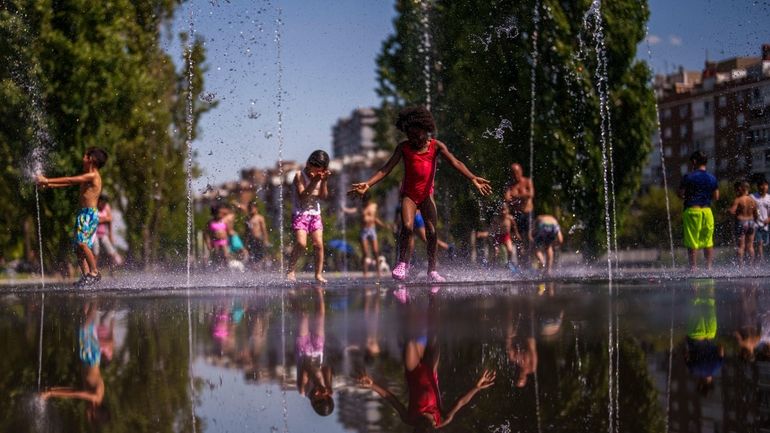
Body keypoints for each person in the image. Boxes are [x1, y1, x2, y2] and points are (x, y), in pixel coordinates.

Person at [350, 106, 492, 282]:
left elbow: (455, 162)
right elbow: (386, 168)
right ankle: (402, 263)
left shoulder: (436, 147)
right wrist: (368, 184)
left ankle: (432, 270)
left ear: (426, 130)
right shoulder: (403, 148)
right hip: (409, 195)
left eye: (417, 135)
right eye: (410, 136)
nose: (414, 139)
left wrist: (472, 178)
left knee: (432, 232)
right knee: (407, 227)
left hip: (426, 196)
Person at [358, 290, 496, 430]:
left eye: (418, 427)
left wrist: (372, 385)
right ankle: (433, 292)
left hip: (412, 370)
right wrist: (476, 388)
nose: (422, 420)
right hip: (431, 368)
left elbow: (390, 398)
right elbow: (460, 403)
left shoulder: (409, 419)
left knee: (411, 337)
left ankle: (406, 294)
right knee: (434, 331)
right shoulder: (442, 419)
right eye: (425, 424)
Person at [36, 147, 108, 286]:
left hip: (89, 215)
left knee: (82, 243)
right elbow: (67, 183)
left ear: (91, 159)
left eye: (85, 156)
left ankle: (94, 272)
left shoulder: (93, 176)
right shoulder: (87, 176)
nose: (83, 159)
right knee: (77, 249)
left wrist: (47, 179)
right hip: (82, 214)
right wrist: (48, 184)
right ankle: (86, 275)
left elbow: (69, 180)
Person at [40, 301, 108, 424]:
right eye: (88, 415)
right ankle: (96, 297)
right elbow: (75, 393)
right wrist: (51, 393)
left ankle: (88, 294)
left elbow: (72, 389)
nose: (86, 412)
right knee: (84, 327)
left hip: (88, 357)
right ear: (94, 412)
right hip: (91, 356)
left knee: (82, 319)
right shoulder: (96, 397)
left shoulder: (93, 398)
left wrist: (51, 389)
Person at [287, 150, 331, 283]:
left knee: (318, 245)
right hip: (300, 214)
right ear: (308, 163)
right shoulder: (299, 175)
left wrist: (323, 182)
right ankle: (291, 270)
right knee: (301, 243)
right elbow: (302, 196)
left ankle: (318, 274)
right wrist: (314, 181)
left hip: (315, 215)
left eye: (320, 170)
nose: (316, 172)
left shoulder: (320, 177)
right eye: (314, 168)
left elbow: (323, 197)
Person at [293, 285, 334, 416]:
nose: (317, 393)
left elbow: (306, 366)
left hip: (303, 349)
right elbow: (326, 367)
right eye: (321, 396)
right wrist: (327, 383)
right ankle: (319, 290)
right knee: (320, 316)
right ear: (327, 396)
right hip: (317, 349)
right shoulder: (327, 387)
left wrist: (317, 381)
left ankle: (291, 294)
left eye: (315, 399)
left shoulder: (303, 390)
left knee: (303, 316)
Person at [678, 151, 719, 272]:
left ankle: (693, 268)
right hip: (707, 211)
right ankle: (709, 267)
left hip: (692, 211)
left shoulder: (688, 177)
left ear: (694, 162)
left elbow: (681, 194)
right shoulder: (712, 178)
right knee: (708, 240)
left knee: (692, 240)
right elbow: (716, 196)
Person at [504, 163, 535, 268]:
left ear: (521, 171)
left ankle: (533, 261)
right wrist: (523, 196)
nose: (515, 174)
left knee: (530, 237)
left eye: (517, 172)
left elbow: (530, 194)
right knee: (518, 239)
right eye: (513, 173)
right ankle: (521, 264)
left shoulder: (527, 181)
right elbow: (507, 198)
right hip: (517, 215)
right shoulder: (510, 185)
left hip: (528, 214)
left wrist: (516, 196)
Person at [356, 193, 389, 278]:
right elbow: (357, 214)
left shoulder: (374, 206)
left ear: (369, 200)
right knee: (365, 252)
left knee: (375, 251)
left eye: (366, 200)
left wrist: (383, 225)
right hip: (364, 230)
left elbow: (375, 218)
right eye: (364, 200)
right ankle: (365, 272)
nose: (365, 202)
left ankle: (378, 271)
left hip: (372, 229)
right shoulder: (361, 207)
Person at [729, 181, 758, 266]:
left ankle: (740, 267)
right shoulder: (752, 200)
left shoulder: (738, 200)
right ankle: (751, 266)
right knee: (750, 246)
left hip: (741, 222)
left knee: (741, 246)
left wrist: (729, 211)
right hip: (751, 222)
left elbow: (732, 211)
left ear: (741, 189)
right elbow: (756, 214)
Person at [92, 195, 123, 269]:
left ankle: (116, 266)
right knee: (95, 251)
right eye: (102, 203)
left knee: (110, 250)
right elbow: (94, 221)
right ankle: (93, 269)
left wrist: (110, 234)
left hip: (103, 234)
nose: (103, 205)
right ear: (98, 202)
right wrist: (104, 219)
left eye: (105, 204)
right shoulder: (94, 207)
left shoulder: (107, 207)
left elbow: (110, 220)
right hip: (94, 234)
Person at [489, 203, 519, 270]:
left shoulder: (510, 218)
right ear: (499, 211)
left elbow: (514, 226)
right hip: (497, 236)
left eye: (505, 210)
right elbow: (492, 228)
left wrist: (516, 233)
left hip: (506, 236)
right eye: (501, 210)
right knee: (495, 252)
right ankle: (492, 265)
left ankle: (508, 263)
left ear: (508, 210)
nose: (503, 212)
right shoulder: (496, 218)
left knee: (510, 250)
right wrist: (491, 233)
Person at [245, 202, 270, 270]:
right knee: (251, 255)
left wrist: (266, 240)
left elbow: (264, 229)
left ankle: (261, 267)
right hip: (251, 239)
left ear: (256, 208)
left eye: (252, 208)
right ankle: (254, 268)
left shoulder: (259, 218)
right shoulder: (248, 218)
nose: (251, 210)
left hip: (259, 239)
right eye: (249, 208)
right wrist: (246, 243)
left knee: (260, 254)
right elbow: (247, 232)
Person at [751, 176, 770, 263]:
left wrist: (769, 219)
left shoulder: (769, 198)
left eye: (765, 185)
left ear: (768, 186)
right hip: (755, 225)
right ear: (758, 187)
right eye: (761, 185)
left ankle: (757, 262)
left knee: (763, 244)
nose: (763, 187)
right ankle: (760, 263)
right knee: (759, 244)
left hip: (766, 226)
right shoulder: (752, 197)